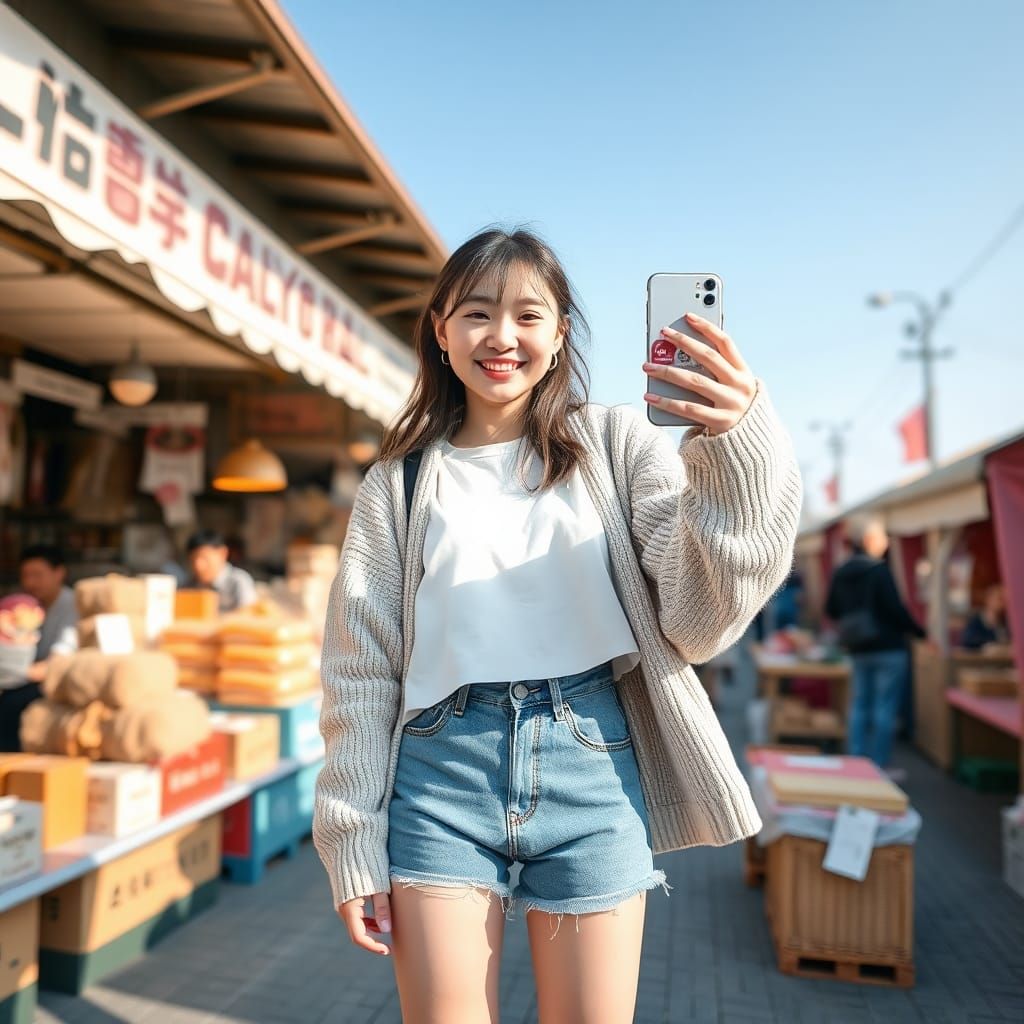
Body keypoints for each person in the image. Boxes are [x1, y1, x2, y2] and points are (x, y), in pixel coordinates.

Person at [312, 227, 802, 1022]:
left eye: (527, 315)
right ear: (440, 330)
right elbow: (359, 674)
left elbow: (699, 617)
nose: (501, 337)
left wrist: (734, 446)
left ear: (561, 332)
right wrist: (350, 837)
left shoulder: (616, 445)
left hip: (594, 764)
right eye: (475, 313)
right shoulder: (395, 487)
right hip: (440, 772)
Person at [825, 517, 925, 771]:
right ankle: (878, 766)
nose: (887, 542)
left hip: (858, 647)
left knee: (859, 704)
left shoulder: (841, 571)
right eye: (883, 537)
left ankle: (856, 760)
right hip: (888, 647)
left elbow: (831, 609)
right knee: (884, 707)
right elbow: (895, 609)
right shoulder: (879, 571)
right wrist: (919, 632)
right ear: (870, 540)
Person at [0, 545, 79, 750]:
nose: (30, 582)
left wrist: (17, 672)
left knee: (12, 703)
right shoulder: (27, 607)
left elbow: (56, 664)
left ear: (59, 573)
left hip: (56, 684)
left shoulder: (73, 606)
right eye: (26, 575)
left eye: (37, 575)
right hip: (24, 678)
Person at [185, 529, 256, 613]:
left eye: (204, 557)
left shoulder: (239, 581)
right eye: (193, 560)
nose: (198, 566)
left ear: (223, 553)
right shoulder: (191, 585)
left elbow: (247, 614)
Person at [961, 582, 1010, 650]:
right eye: (1000, 599)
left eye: (1006, 600)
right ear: (989, 599)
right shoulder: (975, 621)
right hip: (980, 659)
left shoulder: (1004, 622)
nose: (1003, 603)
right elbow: (969, 641)